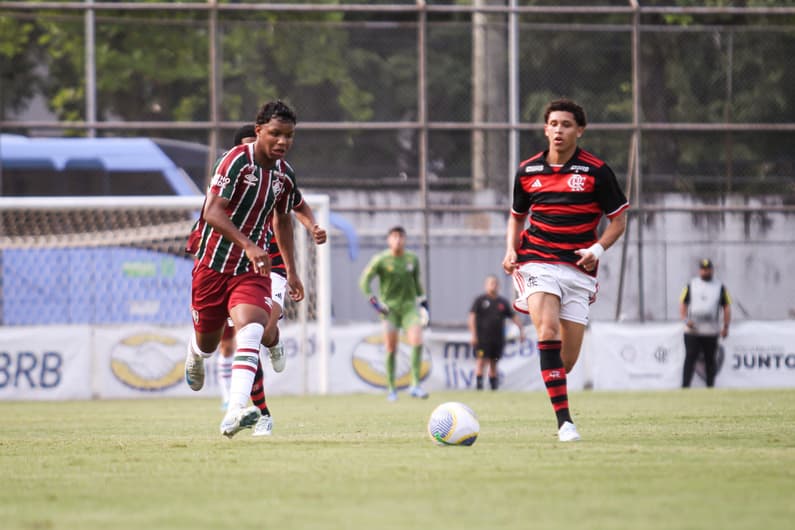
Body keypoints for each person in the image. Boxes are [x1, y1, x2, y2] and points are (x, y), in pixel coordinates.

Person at [502, 98, 629, 442]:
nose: (559, 130)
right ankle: (565, 423)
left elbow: (619, 220)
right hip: (537, 260)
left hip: (577, 269)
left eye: (567, 125)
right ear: (545, 129)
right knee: (546, 331)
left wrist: (597, 248)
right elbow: (516, 218)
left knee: (566, 361)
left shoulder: (596, 172)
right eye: (554, 124)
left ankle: (558, 396)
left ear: (580, 131)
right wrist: (511, 249)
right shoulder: (527, 172)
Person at [184, 100, 303, 438]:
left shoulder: (284, 175)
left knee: (250, 328)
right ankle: (194, 352)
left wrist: (291, 271)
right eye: (276, 134)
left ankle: (236, 409)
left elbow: (283, 220)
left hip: (250, 271)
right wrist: (248, 244)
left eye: (289, 136)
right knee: (208, 344)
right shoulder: (236, 161)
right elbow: (211, 212)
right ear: (258, 131)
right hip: (212, 266)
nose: (282, 142)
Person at [211, 124, 327, 436]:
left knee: (260, 332)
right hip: (233, 268)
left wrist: (311, 228)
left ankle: (272, 343)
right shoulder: (231, 180)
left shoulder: (278, 176)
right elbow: (210, 218)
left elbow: (296, 204)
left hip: (270, 267)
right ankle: (261, 413)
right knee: (239, 339)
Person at [359, 226, 430, 401]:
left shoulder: (412, 259)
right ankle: (391, 388)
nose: (398, 240)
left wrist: (423, 303)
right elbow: (364, 282)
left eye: (401, 237)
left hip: (408, 307)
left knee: (417, 340)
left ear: (405, 239)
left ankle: (415, 385)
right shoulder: (381, 260)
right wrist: (374, 302)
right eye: (394, 237)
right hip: (389, 309)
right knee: (391, 348)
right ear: (388, 240)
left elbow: (417, 283)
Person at [679, 258, 731, 388]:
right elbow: (683, 304)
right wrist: (686, 320)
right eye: (703, 269)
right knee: (690, 358)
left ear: (712, 270)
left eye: (708, 269)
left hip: (711, 330)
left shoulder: (720, 286)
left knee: (710, 360)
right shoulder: (691, 284)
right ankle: (685, 387)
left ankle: (710, 387)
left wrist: (725, 326)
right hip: (693, 330)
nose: (705, 271)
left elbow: (727, 307)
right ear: (699, 270)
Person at [468, 274, 525, 391]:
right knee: (481, 362)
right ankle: (479, 387)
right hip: (482, 339)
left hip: (497, 339)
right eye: (490, 283)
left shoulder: (502, 302)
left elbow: (513, 316)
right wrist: (473, 335)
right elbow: (472, 317)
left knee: (494, 363)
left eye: (495, 283)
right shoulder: (480, 301)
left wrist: (521, 330)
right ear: (486, 285)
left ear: (498, 286)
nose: (493, 286)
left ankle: (494, 388)